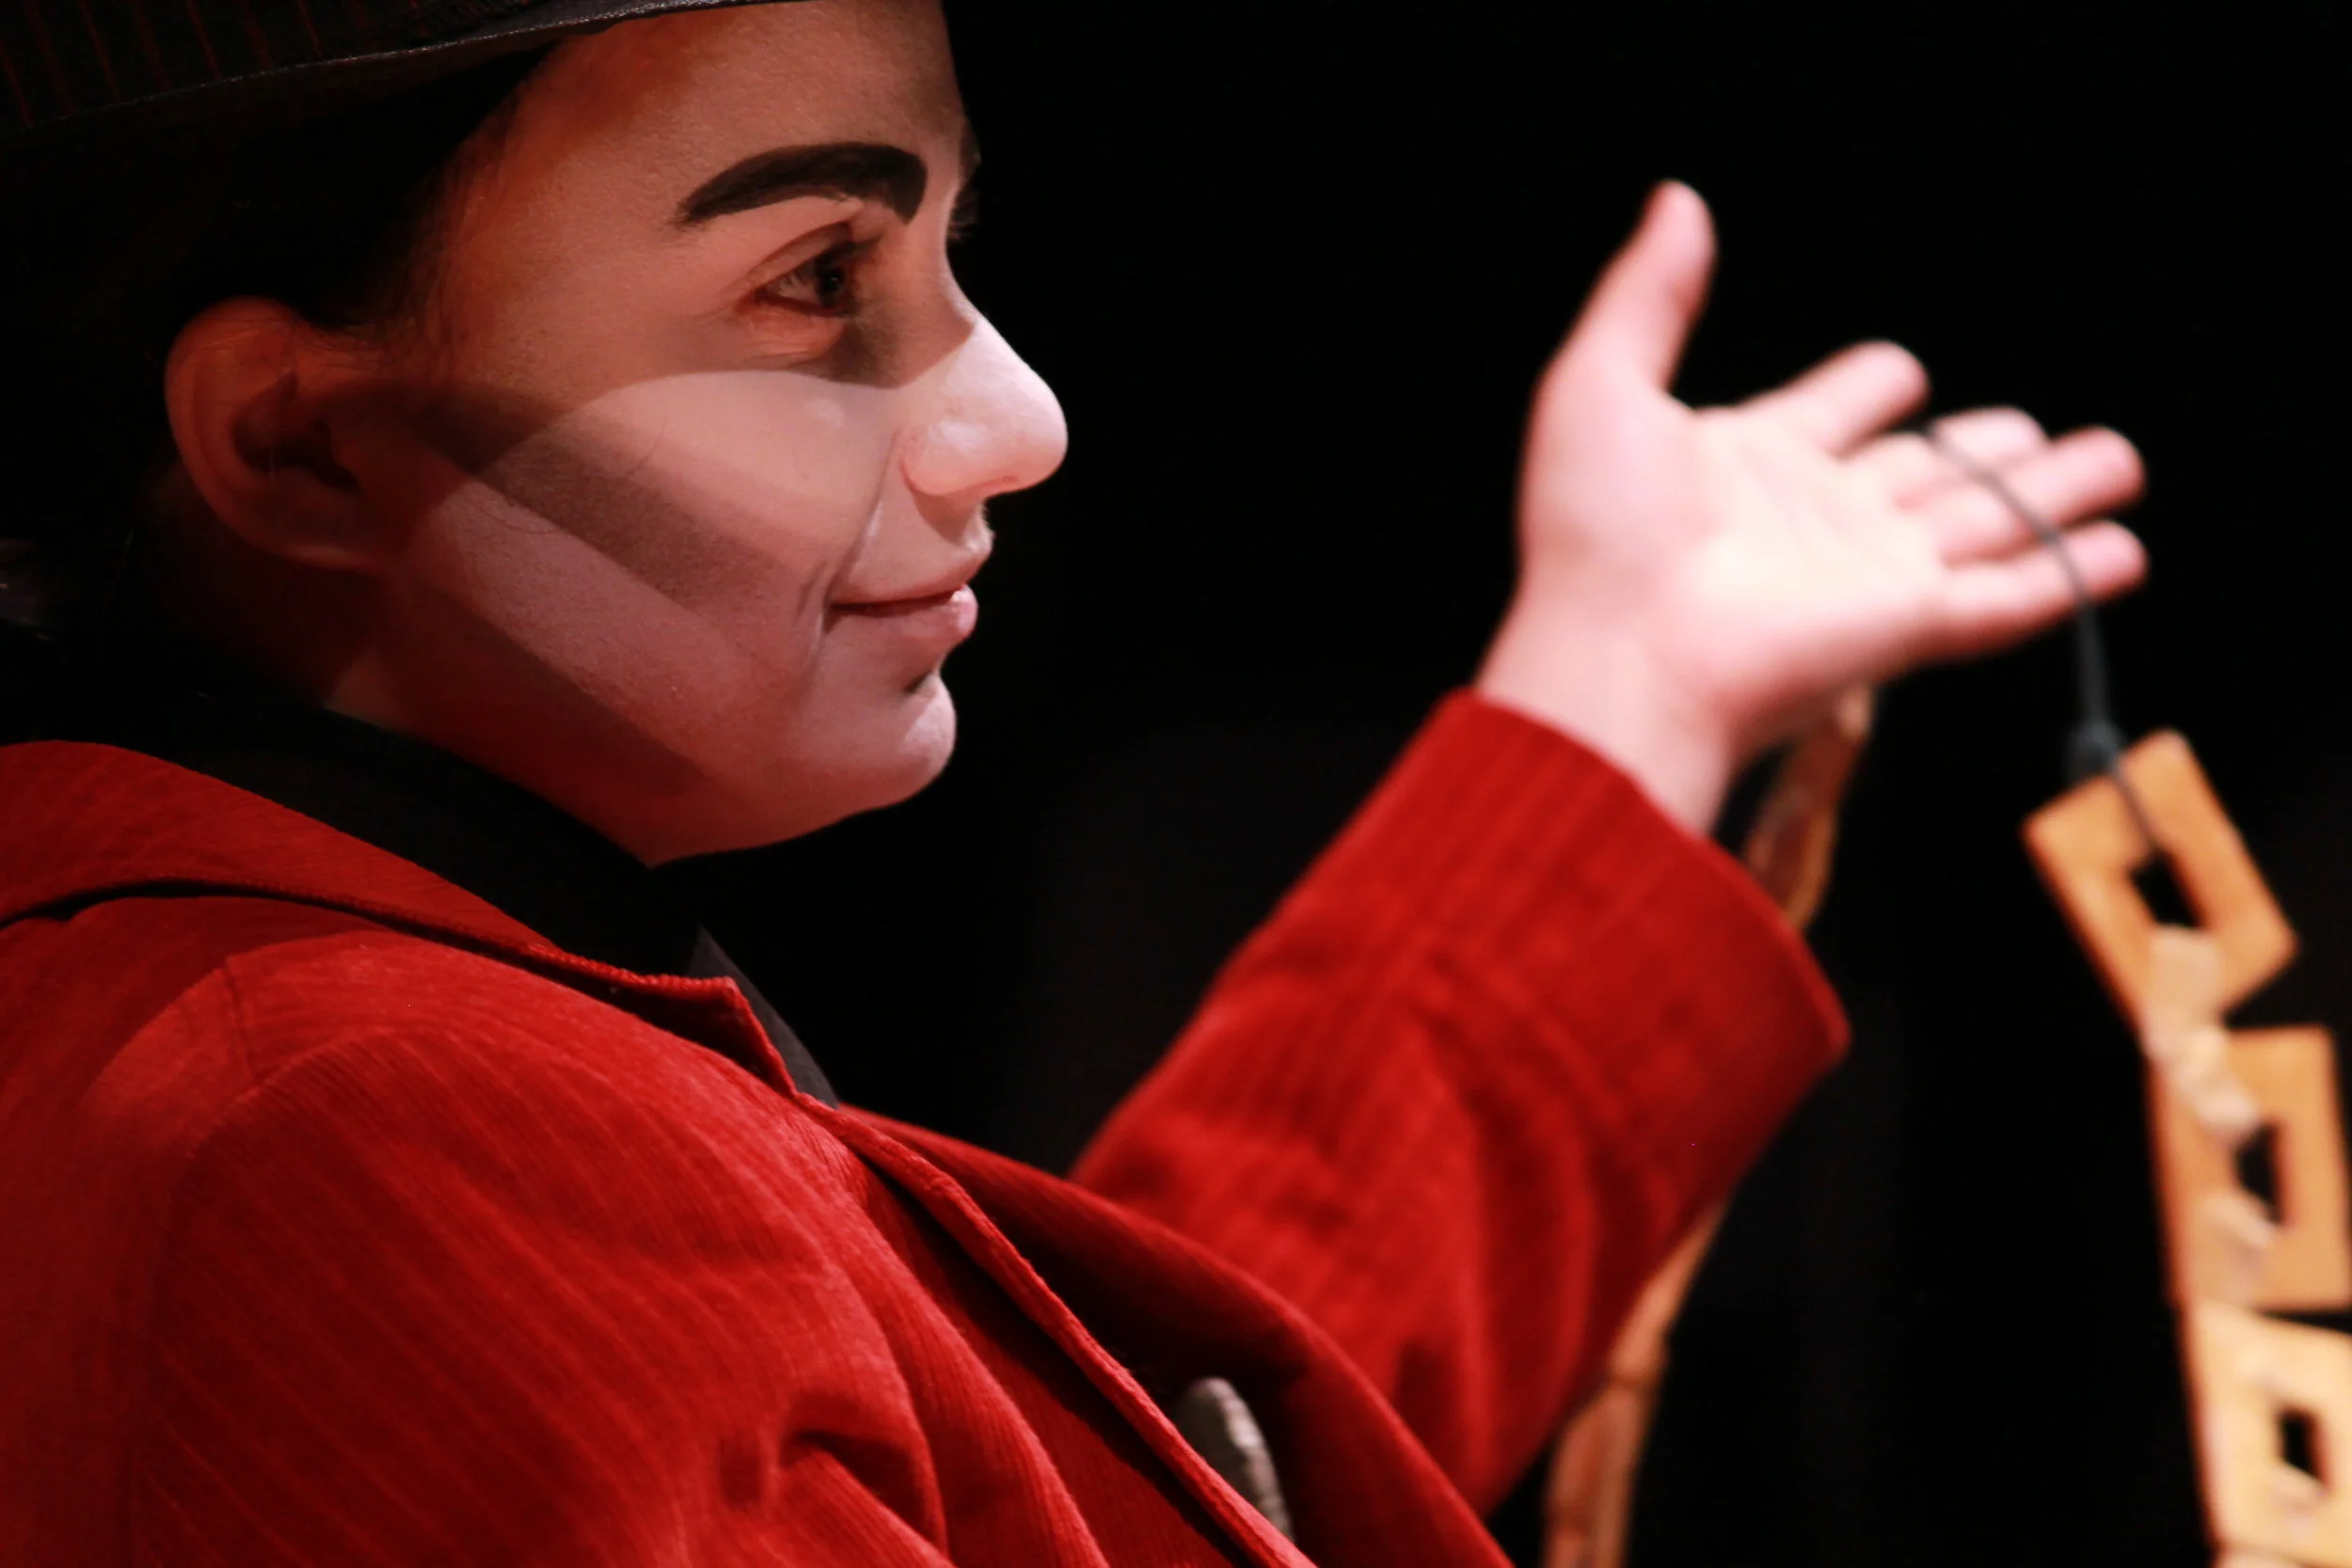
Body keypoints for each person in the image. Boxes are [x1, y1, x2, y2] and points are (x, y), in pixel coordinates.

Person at [0, 0, 2149, 1562]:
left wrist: (1624, 690)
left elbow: (1119, 1483)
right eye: (814, 282)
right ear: (297, 440)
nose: (1014, 415)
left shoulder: (247, 1018)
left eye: (946, 251)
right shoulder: (357, 1128)